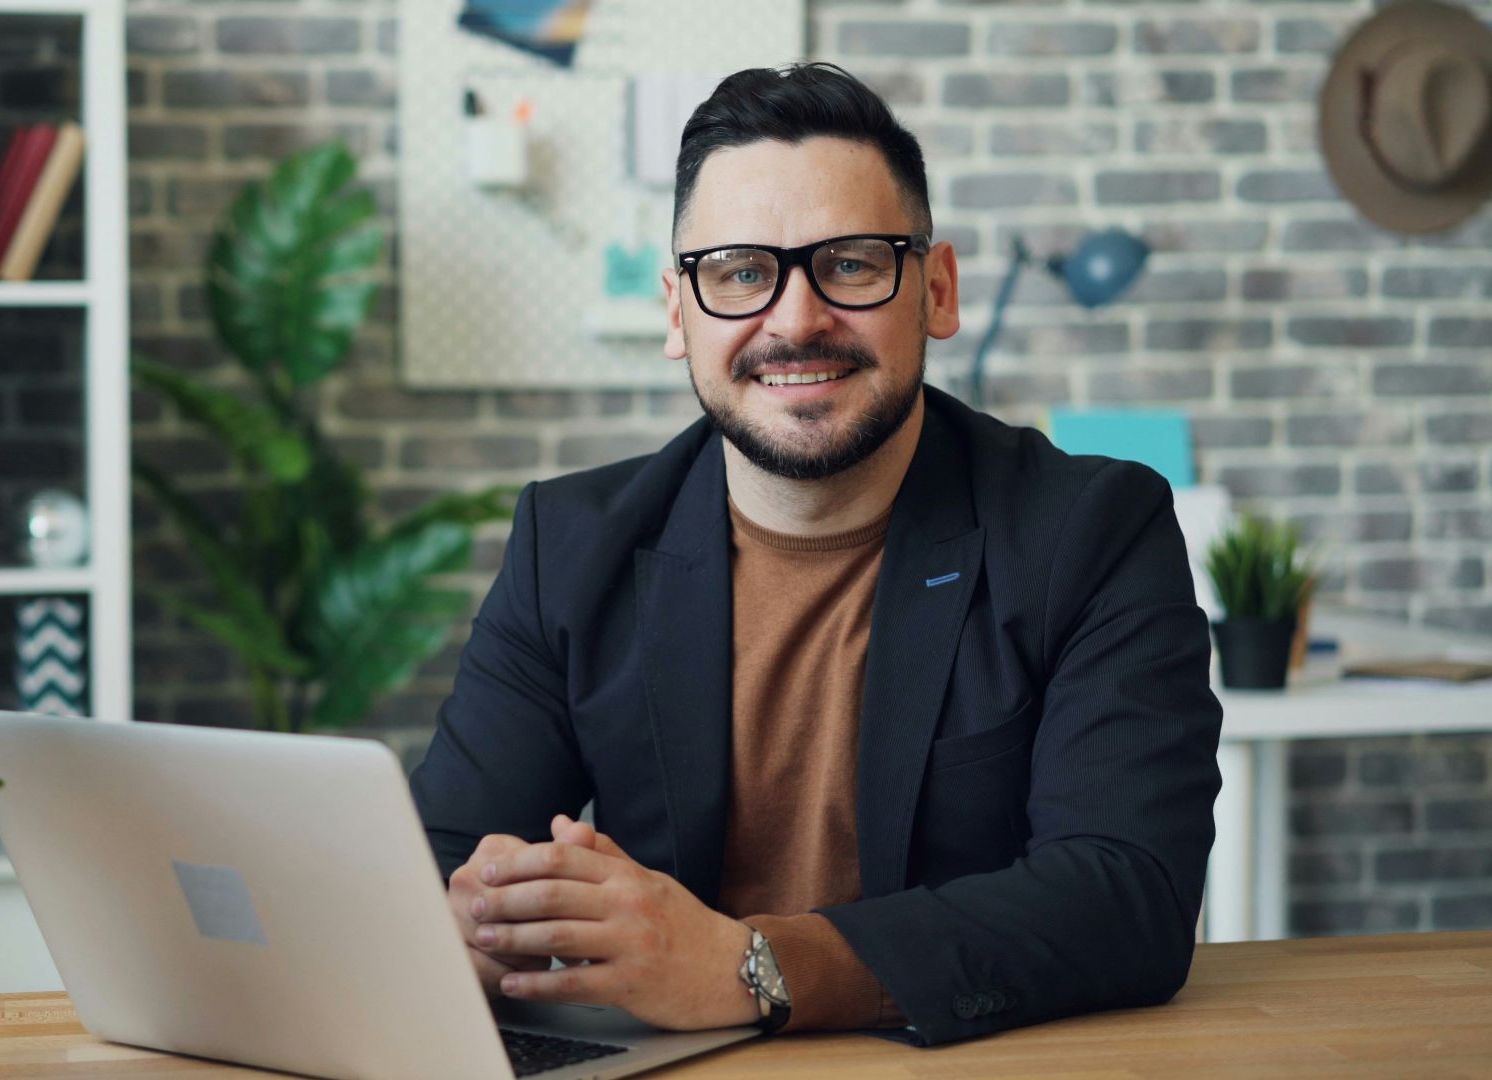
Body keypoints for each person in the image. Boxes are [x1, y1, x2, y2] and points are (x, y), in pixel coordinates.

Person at [408, 62, 1222, 1046]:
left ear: (937, 289)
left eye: (849, 263)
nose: (794, 320)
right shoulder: (567, 547)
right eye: (741, 272)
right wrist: (465, 925)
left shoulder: (1091, 530)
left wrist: (751, 967)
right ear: (679, 312)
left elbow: (1129, 895)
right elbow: (443, 865)